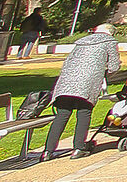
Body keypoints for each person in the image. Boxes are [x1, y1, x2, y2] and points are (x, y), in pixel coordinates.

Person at [42, 24, 121, 159]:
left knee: (62, 115)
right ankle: (78, 148)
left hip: (66, 82)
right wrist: (105, 72)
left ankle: (47, 151)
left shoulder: (81, 42)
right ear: (111, 33)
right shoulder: (109, 42)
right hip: (88, 82)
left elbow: (68, 62)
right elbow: (114, 67)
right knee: (84, 113)